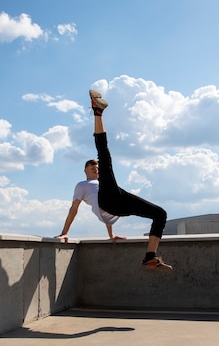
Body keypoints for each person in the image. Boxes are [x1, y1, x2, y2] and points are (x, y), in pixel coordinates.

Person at [56, 89, 173, 271]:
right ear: (85, 170)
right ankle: (98, 112)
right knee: (104, 154)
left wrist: (111, 234)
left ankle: (150, 258)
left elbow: (107, 217)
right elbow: (75, 208)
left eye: (97, 167)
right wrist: (64, 233)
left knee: (160, 214)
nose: (96, 169)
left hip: (118, 202)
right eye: (92, 167)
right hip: (108, 201)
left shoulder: (103, 183)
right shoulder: (82, 185)